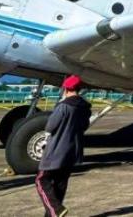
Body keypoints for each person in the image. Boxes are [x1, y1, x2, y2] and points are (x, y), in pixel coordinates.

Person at [36, 75, 92, 217]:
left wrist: (59, 106)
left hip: (57, 150)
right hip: (73, 151)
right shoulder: (86, 108)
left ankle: (56, 210)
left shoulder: (64, 106)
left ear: (66, 88)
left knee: (41, 180)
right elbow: (85, 126)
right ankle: (54, 213)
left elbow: (50, 127)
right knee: (60, 184)